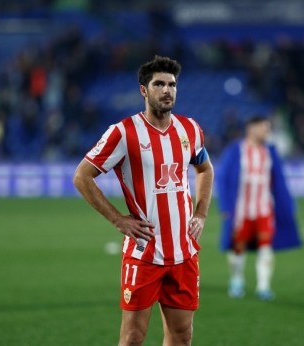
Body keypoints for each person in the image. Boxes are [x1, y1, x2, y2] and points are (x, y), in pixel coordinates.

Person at [73, 56, 214, 345]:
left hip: (184, 252)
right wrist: (118, 220)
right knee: (134, 337)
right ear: (143, 91)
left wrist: (200, 213)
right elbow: (82, 177)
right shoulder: (123, 133)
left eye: (172, 84)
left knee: (182, 335)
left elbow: (205, 168)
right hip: (145, 253)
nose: (167, 90)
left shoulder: (190, 130)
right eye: (159, 84)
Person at [216, 116, 301, 301]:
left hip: (264, 210)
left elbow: (279, 181)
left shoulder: (270, 151)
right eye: (263, 127)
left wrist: (287, 206)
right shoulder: (235, 151)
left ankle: (263, 286)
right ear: (251, 128)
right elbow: (223, 180)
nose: (266, 131)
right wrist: (225, 206)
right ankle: (237, 280)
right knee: (238, 248)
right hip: (241, 211)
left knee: (266, 247)